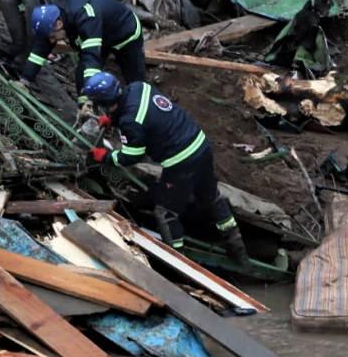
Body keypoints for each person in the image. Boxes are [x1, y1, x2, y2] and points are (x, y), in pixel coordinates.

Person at [82, 71, 249, 263]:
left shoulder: (130, 121)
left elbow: (132, 155)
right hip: (200, 145)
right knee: (210, 197)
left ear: (102, 103)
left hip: (180, 161)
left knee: (166, 212)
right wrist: (114, 120)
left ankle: (178, 262)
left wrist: (106, 157)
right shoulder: (139, 87)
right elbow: (146, 115)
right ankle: (238, 251)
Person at [21, 0, 146, 92]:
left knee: (135, 80)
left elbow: (91, 57)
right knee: (81, 72)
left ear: (58, 24)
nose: (52, 41)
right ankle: (86, 109)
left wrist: (90, 94)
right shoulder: (55, 15)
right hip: (100, 33)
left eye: (53, 36)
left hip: (125, 35)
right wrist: (25, 80)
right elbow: (40, 48)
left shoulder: (86, 17)